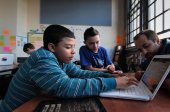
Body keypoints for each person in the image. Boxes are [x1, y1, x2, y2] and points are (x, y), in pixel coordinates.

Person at [0, 24, 138, 111]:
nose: (73, 52)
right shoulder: (43, 58)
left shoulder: (61, 60)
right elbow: (65, 87)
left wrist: (110, 76)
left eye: (73, 47)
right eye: (68, 47)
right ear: (52, 47)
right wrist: (113, 83)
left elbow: (80, 73)